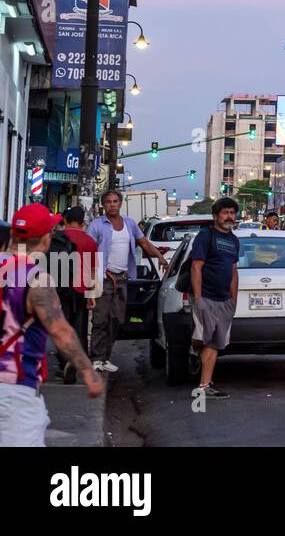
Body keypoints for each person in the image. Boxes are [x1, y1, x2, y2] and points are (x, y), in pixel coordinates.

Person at [1, 204, 103, 446]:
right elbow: (59, 331)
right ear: (46, 239)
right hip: (15, 390)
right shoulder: (36, 279)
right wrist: (88, 371)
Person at [88, 189, 170, 372]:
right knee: (101, 319)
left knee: (117, 319)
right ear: (103, 205)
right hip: (104, 277)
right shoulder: (96, 225)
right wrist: (90, 280)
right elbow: (88, 251)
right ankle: (96, 358)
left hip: (123, 279)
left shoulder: (130, 224)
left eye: (115, 201)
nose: (112, 205)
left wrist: (160, 258)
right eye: (108, 202)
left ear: (120, 203)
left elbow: (144, 244)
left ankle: (105, 357)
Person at [190, 197, 242, 400]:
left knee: (214, 344)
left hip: (224, 301)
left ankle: (204, 385)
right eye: (225, 212)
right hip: (206, 297)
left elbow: (234, 271)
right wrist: (198, 297)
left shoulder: (234, 240)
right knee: (208, 341)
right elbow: (196, 267)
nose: (229, 216)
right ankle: (199, 374)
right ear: (215, 216)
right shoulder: (206, 236)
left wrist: (233, 300)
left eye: (232, 212)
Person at [50, 207, 99, 384]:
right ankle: (77, 362)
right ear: (82, 221)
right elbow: (93, 270)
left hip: (60, 289)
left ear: (65, 220)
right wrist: (92, 295)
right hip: (81, 289)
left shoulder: (57, 239)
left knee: (61, 326)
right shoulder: (90, 241)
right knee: (80, 327)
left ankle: (65, 362)